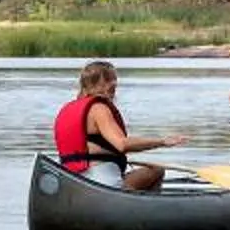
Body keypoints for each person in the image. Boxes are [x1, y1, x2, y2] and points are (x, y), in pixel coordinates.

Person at [52, 59, 186, 193]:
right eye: (109, 79)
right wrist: (162, 142)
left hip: (72, 182)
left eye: (114, 79)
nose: (114, 83)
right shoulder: (99, 108)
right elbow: (122, 144)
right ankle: (145, 204)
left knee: (153, 170)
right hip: (102, 182)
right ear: (96, 83)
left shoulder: (68, 109)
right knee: (157, 171)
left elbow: (89, 149)